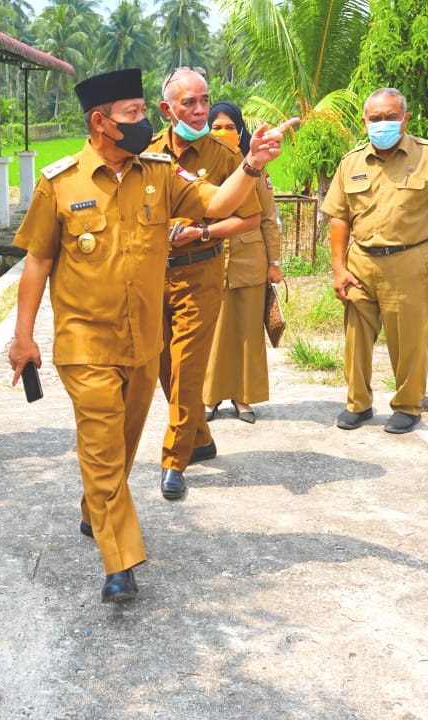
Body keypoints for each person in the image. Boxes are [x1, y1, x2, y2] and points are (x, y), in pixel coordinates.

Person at [8, 67, 295, 604]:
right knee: (99, 444)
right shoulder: (60, 183)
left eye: (143, 111)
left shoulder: (160, 174)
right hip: (84, 344)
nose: (144, 122)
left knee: (115, 449)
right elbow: (37, 261)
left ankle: (93, 507)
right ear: (100, 122)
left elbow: (216, 203)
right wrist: (23, 337)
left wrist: (253, 163)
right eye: (133, 114)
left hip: (143, 345)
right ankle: (121, 565)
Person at [321, 87, 428, 434]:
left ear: (405, 119)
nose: (382, 124)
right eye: (375, 118)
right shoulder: (351, 163)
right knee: (355, 338)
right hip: (360, 261)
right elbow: (339, 219)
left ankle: (407, 405)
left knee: (409, 340)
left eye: (390, 117)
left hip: (408, 261)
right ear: (364, 121)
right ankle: (358, 404)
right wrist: (339, 268)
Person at [145, 68, 260, 502]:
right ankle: (200, 437)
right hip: (153, 274)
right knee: (161, 364)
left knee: (187, 368)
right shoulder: (146, 153)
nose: (198, 111)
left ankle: (174, 460)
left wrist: (205, 233)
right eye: (187, 103)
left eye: (203, 101)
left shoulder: (228, 156)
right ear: (166, 109)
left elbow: (250, 215)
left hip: (201, 271)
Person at [202, 101, 285, 424]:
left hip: (250, 262)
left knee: (247, 333)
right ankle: (209, 398)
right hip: (208, 261)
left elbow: (268, 218)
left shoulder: (257, 169)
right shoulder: (199, 167)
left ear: (241, 132)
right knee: (211, 334)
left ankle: (244, 398)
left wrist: (274, 263)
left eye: (230, 127)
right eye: (216, 127)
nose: (223, 133)